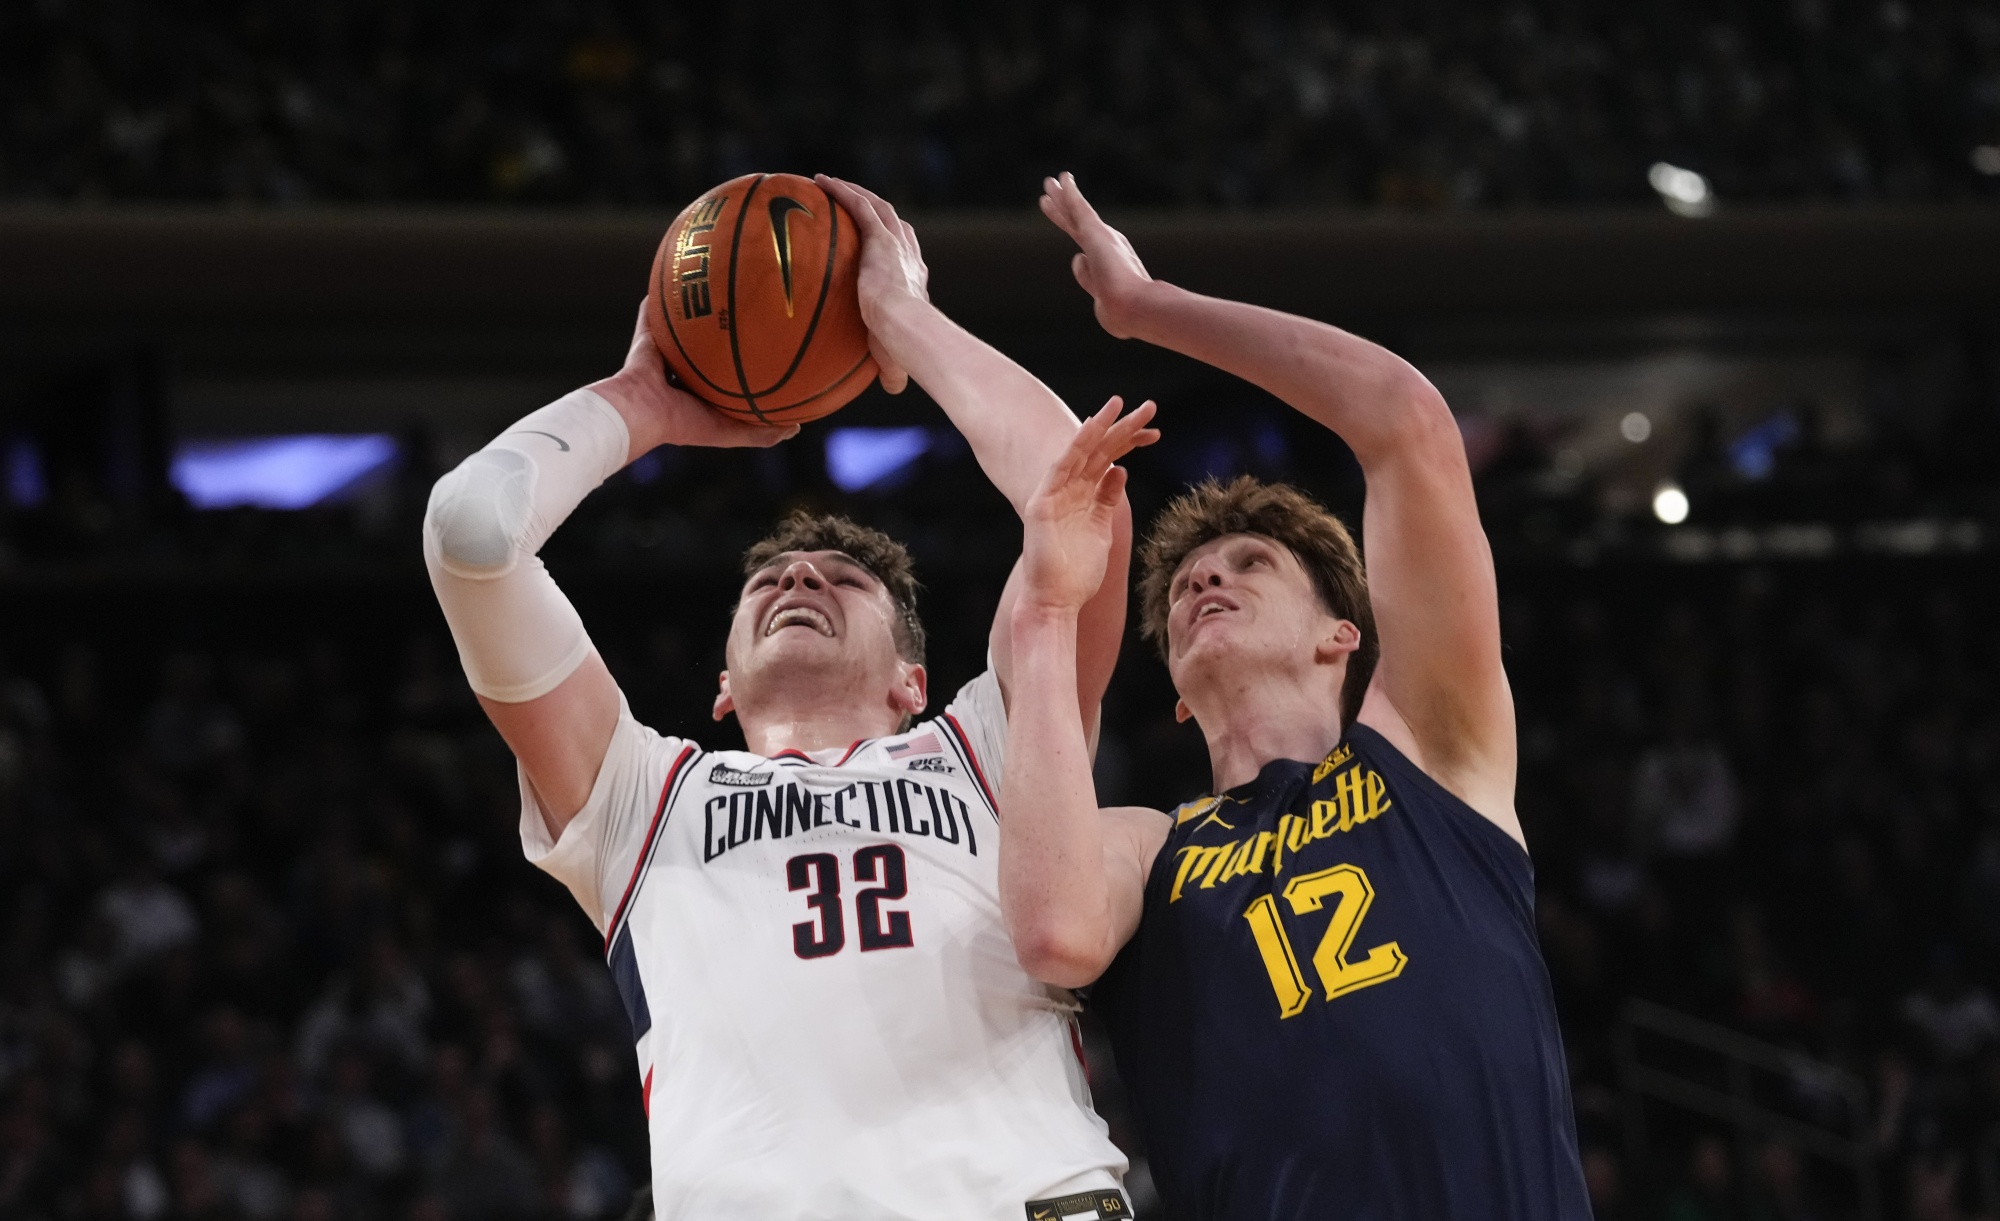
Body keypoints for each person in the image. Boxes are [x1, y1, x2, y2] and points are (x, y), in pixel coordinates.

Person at [421, 174, 1159, 1220]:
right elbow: (469, 534)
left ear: (914, 679)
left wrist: (901, 314)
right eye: (767, 580)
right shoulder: (640, 794)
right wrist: (641, 402)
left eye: (840, 580)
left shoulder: (987, 741)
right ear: (719, 687)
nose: (798, 579)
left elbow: (1074, 489)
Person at [998, 172, 1591, 1219]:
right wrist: (1049, 610)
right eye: (1184, 585)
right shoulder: (1148, 846)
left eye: (1247, 565)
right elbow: (1052, 930)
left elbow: (1404, 421)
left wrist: (1147, 309)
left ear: (1341, 636)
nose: (1202, 581)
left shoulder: (1431, 752)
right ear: (1177, 697)